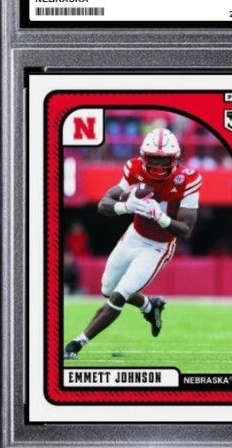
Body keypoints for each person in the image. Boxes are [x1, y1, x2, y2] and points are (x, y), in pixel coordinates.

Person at [64, 128, 202, 359]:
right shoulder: (135, 168)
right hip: (133, 236)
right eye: (153, 158)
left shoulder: (188, 178)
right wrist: (125, 207)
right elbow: (103, 204)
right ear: (144, 156)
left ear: (175, 158)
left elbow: (186, 230)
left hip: (158, 246)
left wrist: (161, 218)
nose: (158, 165)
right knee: (108, 290)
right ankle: (149, 306)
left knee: (119, 296)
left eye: (164, 159)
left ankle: (76, 344)